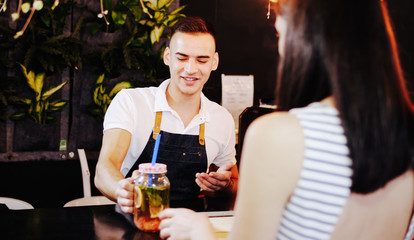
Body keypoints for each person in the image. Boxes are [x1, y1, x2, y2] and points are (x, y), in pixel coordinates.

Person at [157, 0, 414, 239]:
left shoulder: (278, 135)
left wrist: (201, 230)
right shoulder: (405, 132)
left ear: (306, 38)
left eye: (280, 35)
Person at [95, 16, 238, 214]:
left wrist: (224, 186)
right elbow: (105, 169)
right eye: (182, 58)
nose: (190, 69)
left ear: (214, 62)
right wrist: (123, 190)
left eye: (202, 60)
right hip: (137, 222)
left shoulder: (222, 118)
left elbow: (234, 183)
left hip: (190, 227)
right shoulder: (132, 102)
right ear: (167, 56)